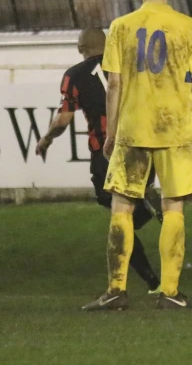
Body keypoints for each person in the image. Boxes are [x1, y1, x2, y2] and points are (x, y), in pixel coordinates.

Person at [81, 0, 192, 311]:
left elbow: (115, 85)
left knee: (121, 207)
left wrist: (111, 129)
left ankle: (116, 290)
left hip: (133, 129)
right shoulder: (187, 26)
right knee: (173, 206)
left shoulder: (121, 27)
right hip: (173, 129)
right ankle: (170, 290)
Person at [35, 28, 163, 295]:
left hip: (106, 151)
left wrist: (46, 139)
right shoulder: (130, 65)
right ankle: (153, 280)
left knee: (118, 215)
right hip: (142, 146)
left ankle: (138, 281)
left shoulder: (74, 75)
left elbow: (64, 119)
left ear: (80, 47)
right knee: (126, 216)